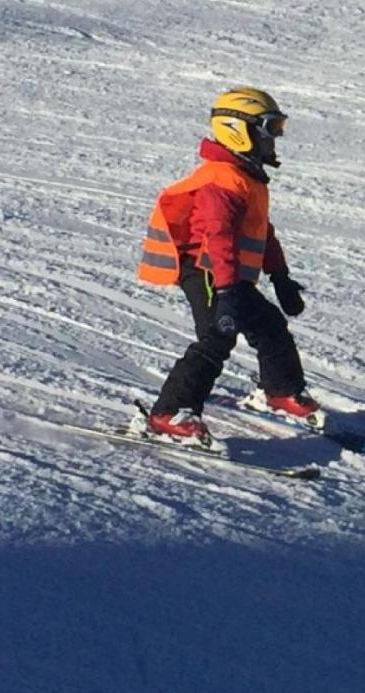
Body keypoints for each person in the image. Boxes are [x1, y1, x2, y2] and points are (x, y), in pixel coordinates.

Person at [136, 87, 318, 443]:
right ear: (240, 130)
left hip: (229, 277)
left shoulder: (246, 177)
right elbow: (218, 236)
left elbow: (262, 231)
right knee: (217, 339)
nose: (276, 138)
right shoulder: (221, 181)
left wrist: (279, 275)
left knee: (269, 326)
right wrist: (228, 291)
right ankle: (168, 413)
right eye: (271, 128)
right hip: (208, 272)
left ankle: (280, 391)